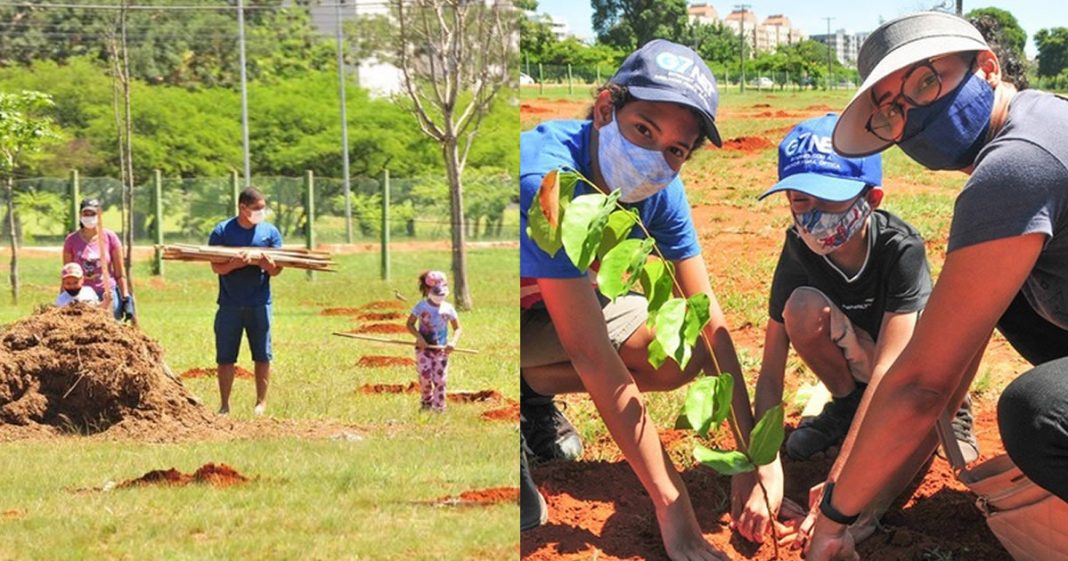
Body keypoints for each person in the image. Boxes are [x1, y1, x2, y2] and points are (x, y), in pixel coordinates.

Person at [804, 12, 1068, 560]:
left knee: (1039, 414)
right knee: (1011, 301)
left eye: (926, 81)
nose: (913, 114)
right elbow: (950, 365)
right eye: (892, 111)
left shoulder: (1017, 166)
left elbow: (921, 383)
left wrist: (834, 517)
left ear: (987, 68)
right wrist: (865, 497)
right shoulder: (1042, 116)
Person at [520, 39, 759, 561]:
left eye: (676, 148)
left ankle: (528, 392)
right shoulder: (548, 185)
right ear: (607, 108)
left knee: (688, 348)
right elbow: (590, 354)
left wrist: (754, 460)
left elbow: (709, 318)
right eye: (643, 130)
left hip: (553, 307)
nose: (656, 156)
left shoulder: (660, 189)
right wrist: (674, 509)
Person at [732, 113, 977, 544]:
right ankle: (848, 408)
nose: (812, 217)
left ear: (873, 198)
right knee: (802, 308)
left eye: (829, 201)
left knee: (889, 467)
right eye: (799, 200)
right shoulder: (798, 251)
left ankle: (951, 417)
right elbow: (769, 374)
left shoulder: (900, 249)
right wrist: (764, 468)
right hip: (862, 367)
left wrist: (838, 490)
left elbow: (891, 372)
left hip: (908, 372)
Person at [208, 187, 284, 416]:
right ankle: (224, 405)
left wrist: (267, 265)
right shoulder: (222, 231)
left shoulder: (270, 232)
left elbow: (277, 270)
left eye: (263, 208)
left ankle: (261, 402)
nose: (261, 212)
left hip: (260, 303)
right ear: (243, 208)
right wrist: (235, 264)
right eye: (257, 208)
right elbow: (215, 266)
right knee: (225, 357)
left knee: (262, 354)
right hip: (229, 304)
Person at [62, 198, 133, 321]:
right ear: (80, 215)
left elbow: (120, 274)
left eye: (92, 214)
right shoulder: (71, 241)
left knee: (109, 326)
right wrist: (63, 297)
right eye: (86, 214)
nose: (89, 217)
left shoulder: (110, 238)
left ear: (99, 215)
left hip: (106, 292)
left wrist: (125, 297)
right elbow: (67, 274)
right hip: (82, 295)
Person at [405, 270, 462, 413]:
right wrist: (419, 338)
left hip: (441, 350)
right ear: (427, 290)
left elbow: (458, 328)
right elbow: (409, 324)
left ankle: (439, 409)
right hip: (424, 350)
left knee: (440, 380)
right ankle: (426, 404)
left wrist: (453, 343)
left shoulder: (448, 308)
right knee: (425, 378)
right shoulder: (421, 307)